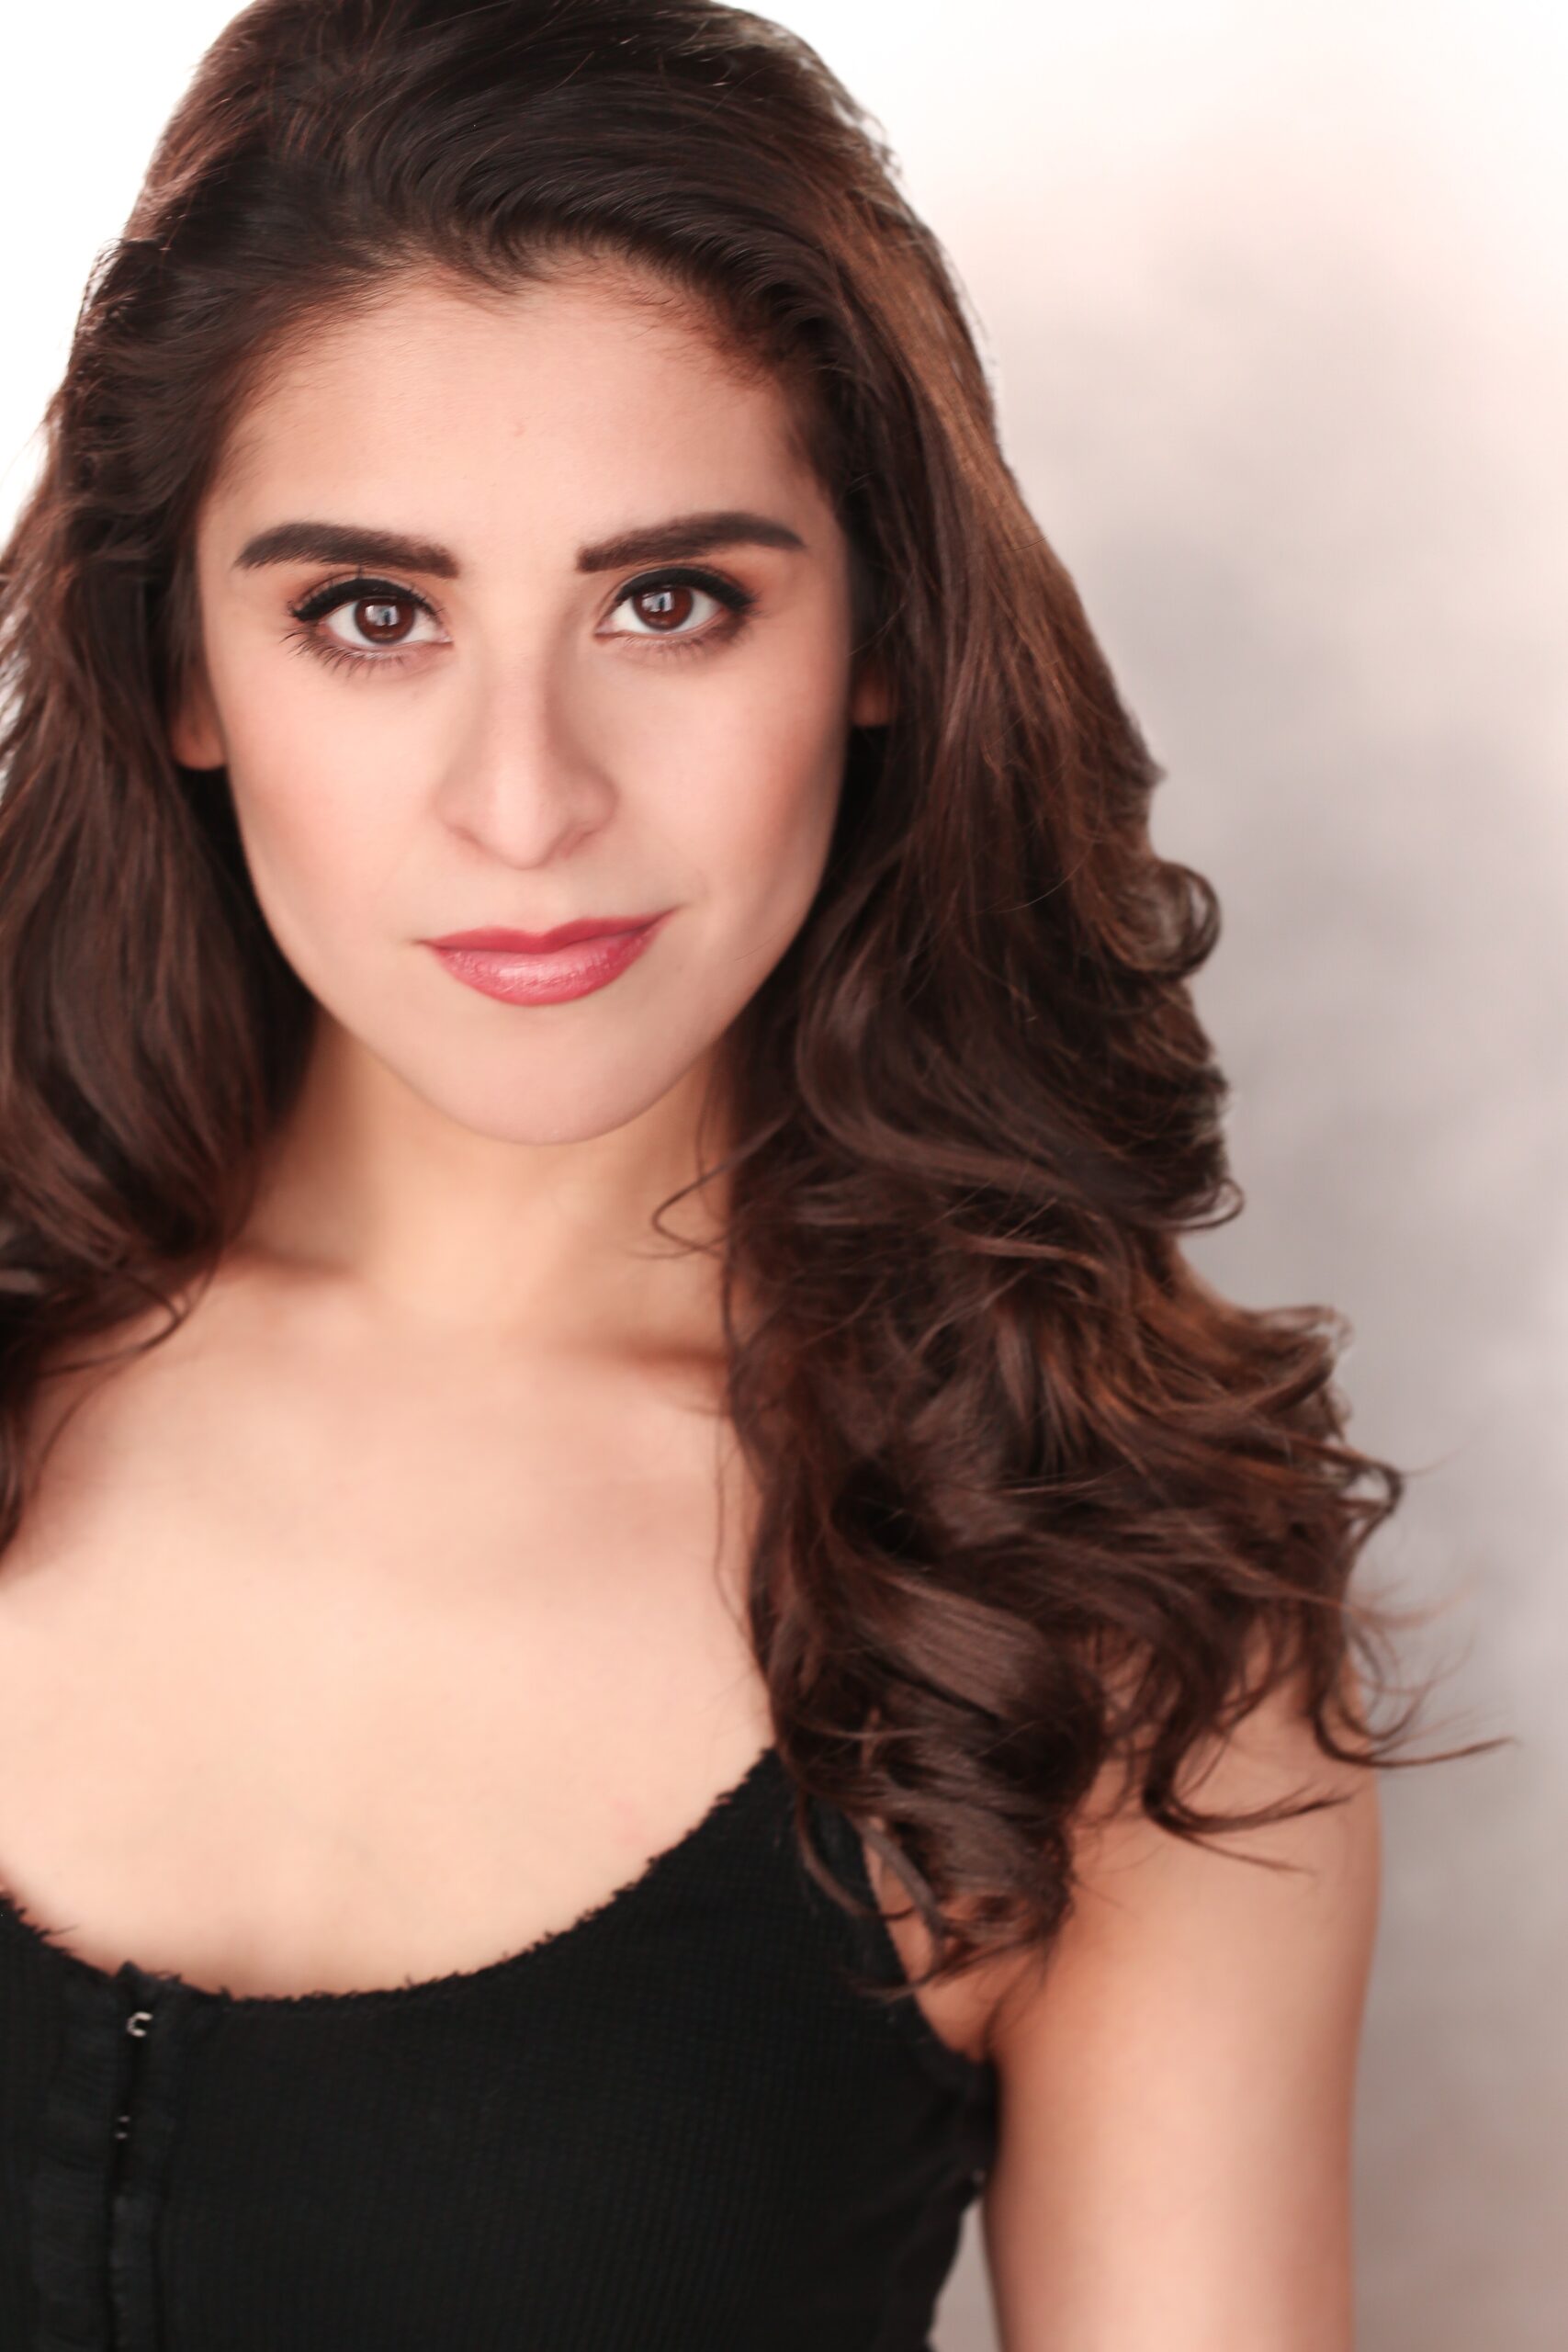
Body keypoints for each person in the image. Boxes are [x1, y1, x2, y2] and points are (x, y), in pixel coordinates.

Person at [0, 2, 1483, 2346]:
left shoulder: (1099, 1619)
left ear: (878, 630)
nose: (524, 800)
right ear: (178, 660)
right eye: (368, 613)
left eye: (668, 599)